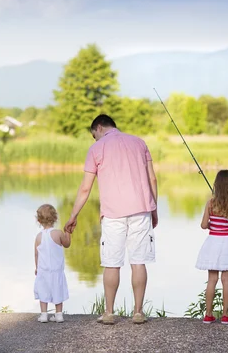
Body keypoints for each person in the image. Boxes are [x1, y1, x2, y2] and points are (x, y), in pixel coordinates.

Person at [64, 114, 158, 325]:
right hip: (141, 210)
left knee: (111, 264)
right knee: (138, 262)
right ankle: (138, 312)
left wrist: (73, 215)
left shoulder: (96, 149)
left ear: (98, 128)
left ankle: (108, 313)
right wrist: (154, 208)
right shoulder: (139, 142)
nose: (95, 140)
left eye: (94, 135)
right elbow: (152, 178)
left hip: (113, 214)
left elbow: (85, 187)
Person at [195, 169, 228, 324]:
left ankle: (208, 315)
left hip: (213, 242)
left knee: (212, 279)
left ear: (216, 185)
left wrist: (212, 224)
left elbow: (203, 225)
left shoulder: (210, 204)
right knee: (226, 280)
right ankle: (224, 315)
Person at [34, 204, 71, 323]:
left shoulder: (38, 237)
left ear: (38, 220)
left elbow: (36, 254)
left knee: (43, 290)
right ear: (55, 218)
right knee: (57, 289)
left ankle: (44, 315)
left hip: (43, 270)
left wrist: (37, 268)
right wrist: (68, 233)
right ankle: (59, 314)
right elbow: (67, 244)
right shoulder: (58, 233)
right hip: (56, 270)